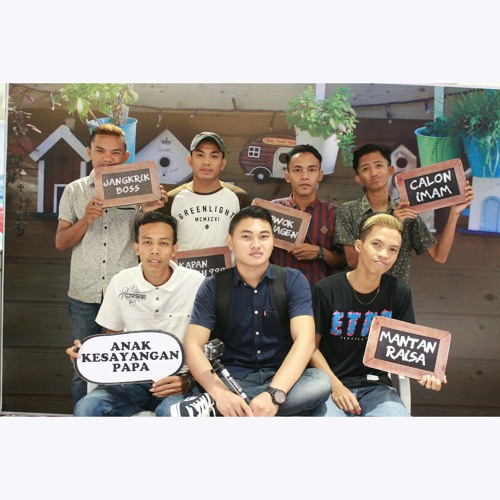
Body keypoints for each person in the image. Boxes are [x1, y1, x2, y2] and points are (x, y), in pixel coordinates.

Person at [169, 206, 332, 417]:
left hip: (283, 378)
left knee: (320, 383)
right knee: (168, 409)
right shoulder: (213, 285)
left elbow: (305, 341)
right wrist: (220, 394)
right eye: (246, 237)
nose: (256, 244)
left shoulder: (292, 280)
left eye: (264, 236)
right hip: (231, 379)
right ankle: (241, 407)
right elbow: (193, 344)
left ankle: (225, 410)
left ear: (272, 241)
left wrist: (273, 395)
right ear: (230, 242)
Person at [56, 123, 167, 407]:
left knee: (124, 367)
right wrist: (86, 219)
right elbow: (61, 242)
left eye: (115, 152)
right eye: (100, 151)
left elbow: (145, 238)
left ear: (125, 156)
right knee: (83, 366)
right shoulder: (74, 191)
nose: (108, 158)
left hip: (126, 294)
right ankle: (85, 419)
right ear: (88, 152)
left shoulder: (138, 189)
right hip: (84, 293)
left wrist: (149, 210)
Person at [66, 211, 205, 416]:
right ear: (137, 248)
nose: (155, 250)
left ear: (175, 250)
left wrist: (189, 380)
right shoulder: (121, 281)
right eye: (147, 242)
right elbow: (112, 337)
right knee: (88, 407)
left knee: (172, 412)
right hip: (130, 380)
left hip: (178, 379)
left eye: (163, 243)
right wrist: (86, 355)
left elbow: (209, 342)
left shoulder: (197, 283)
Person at [311, 212, 446, 417]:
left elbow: (409, 350)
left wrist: (426, 372)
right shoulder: (327, 289)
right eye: (376, 244)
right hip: (331, 385)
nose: (384, 254)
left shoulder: (399, 292)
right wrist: (335, 385)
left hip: (377, 387)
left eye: (393, 249)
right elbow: (310, 347)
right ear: (359, 245)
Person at [334, 143, 474, 282]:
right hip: (357, 292)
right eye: (366, 168)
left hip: (395, 294)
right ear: (359, 179)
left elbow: (440, 256)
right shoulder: (348, 211)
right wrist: (392, 225)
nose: (374, 173)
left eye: (379, 165)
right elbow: (353, 262)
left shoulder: (408, 213)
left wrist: (454, 214)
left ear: (390, 170)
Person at [161, 131, 251, 251]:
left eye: (214, 156)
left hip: (228, 264)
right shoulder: (172, 199)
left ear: (223, 163)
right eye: (200, 155)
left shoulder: (239, 197)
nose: (206, 162)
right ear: (190, 160)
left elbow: (248, 241)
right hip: (182, 264)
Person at [271, 144, 344, 287]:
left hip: (317, 293)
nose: (304, 176)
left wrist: (320, 252)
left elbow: (343, 262)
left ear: (320, 175)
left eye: (311, 170)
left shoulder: (333, 213)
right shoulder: (272, 209)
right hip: (277, 292)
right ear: (287, 176)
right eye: (297, 170)